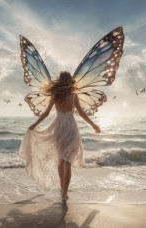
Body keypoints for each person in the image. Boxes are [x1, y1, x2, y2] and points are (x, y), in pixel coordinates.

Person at [19, 71, 100, 201]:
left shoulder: (55, 96)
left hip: (58, 128)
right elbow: (82, 114)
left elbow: (45, 114)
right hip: (71, 128)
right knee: (67, 161)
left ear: (59, 80)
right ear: (71, 81)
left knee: (60, 161)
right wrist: (94, 125)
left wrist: (34, 125)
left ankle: (63, 189)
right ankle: (64, 193)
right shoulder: (74, 96)